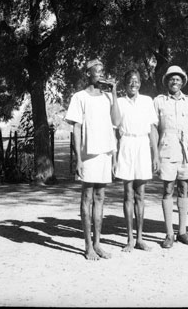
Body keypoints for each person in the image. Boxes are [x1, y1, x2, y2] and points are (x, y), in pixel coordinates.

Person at [65, 59, 120, 260]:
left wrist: (114, 93)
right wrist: (78, 158)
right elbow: (76, 128)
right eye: (96, 71)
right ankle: (87, 246)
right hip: (88, 155)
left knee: (100, 197)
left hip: (105, 153)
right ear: (88, 74)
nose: (101, 74)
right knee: (87, 197)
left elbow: (116, 122)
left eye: (102, 70)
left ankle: (97, 243)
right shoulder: (79, 97)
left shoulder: (107, 97)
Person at [113, 69, 160, 252]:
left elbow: (153, 129)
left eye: (137, 81)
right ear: (125, 84)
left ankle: (140, 238)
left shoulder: (147, 101)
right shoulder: (119, 102)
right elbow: (114, 129)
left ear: (141, 83)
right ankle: (129, 239)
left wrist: (155, 154)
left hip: (142, 145)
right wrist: (115, 157)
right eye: (130, 81)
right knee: (128, 194)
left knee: (141, 193)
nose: (134, 84)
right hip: (126, 144)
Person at [153, 65, 188, 248]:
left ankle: (182, 232)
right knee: (168, 190)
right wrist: (155, 154)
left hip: (185, 150)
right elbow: (154, 129)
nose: (175, 81)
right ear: (167, 81)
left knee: (184, 189)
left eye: (178, 79)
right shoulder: (159, 101)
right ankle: (169, 234)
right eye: (172, 78)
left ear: (183, 82)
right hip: (166, 148)